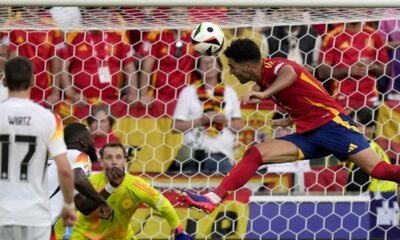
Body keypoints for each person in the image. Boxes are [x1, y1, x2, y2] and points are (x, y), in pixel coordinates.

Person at [176, 38, 400, 214]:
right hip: (310, 134)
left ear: (248, 65)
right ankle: (212, 199)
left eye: (233, 67)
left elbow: (290, 73)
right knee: (255, 153)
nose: (232, 72)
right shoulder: (262, 79)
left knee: (380, 171)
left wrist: (265, 94)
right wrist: (290, 119)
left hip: (334, 128)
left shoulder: (276, 66)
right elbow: (306, 98)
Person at [0, 56, 76, 239]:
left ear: (4, 81)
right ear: (33, 81)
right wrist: (68, 205)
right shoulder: (49, 119)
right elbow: (65, 170)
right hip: (35, 215)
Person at [70, 142, 193, 239]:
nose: (114, 162)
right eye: (109, 157)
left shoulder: (135, 185)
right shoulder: (89, 183)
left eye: (118, 157)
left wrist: (179, 230)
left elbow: (163, 205)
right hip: (85, 236)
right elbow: (66, 210)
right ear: (101, 162)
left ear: (124, 161)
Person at [172, 56, 242, 174]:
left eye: (212, 62)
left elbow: (238, 127)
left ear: (220, 67)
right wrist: (201, 120)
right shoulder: (188, 92)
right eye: (204, 63)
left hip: (223, 155)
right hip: (194, 156)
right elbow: (175, 127)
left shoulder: (230, 92)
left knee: (224, 191)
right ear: (198, 68)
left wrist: (225, 121)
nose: (209, 65)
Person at [47, 122, 113, 239]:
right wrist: (103, 203)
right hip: (38, 225)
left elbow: (84, 207)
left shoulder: (56, 160)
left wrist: (111, 186)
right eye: (90, 138)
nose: (93, 142)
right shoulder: (79, 155)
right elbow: (78, 179)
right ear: (83, 142)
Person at [318, 22, 388, 110]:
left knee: (369, 123)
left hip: (370, 98)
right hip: (341, 99)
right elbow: (322, 72)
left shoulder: (374, 35)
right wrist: (348, 71)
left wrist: (372, 66)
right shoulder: (332, 36)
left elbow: (385, 69)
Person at [346, 108, 397, 192]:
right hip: (386, 199)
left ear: (370, 128)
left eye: (358, 125)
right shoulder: (374, 147)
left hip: (373, 200)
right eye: (350, 125)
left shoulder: (364, 150)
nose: (352, 128)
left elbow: (355, 187)